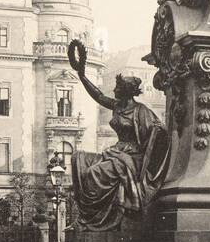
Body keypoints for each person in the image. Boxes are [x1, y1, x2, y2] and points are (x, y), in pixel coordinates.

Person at [66, 40, 169, 231]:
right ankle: (88, 218)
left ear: (126, 91)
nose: (113, 90)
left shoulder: (141, 111)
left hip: (131, 157)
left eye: (117, 88)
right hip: (116, 153)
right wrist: (81, 75)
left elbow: (159, 133)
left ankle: (93, 220)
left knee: (93, 172)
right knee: (78, 159)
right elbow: (97, 95)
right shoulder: (117, 106)